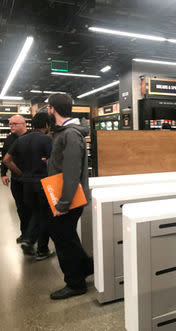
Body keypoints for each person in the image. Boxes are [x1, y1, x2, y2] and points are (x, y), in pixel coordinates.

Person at [46, 93, 93, 300]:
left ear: (52, 109)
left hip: (69, 198)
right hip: (64, 196)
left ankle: (75, 283)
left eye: (48, 107)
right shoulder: (63, 132)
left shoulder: (71, 134)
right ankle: (85, 267)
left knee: (63, 238)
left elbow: (72, 172)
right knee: (67, 237)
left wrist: (63, 204)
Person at [3, 111, 54, 260]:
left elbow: (6, 160)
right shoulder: (47, 140)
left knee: (35, 213)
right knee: (45, 215)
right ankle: (41, 248)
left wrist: (21, 174)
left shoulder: (21, 140)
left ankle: (28, 238)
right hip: (42, 183)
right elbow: (54, 162)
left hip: (26, 185)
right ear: (46, 125)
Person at [1, 115, 28, 243]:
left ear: (23, 124)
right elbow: (4, 159)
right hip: (17, 180)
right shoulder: (9, 140)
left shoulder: (31, 137)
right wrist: (3, 174)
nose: (11, 126)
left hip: (30, 179)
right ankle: (25, 234)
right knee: (20, 207)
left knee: (32, 208)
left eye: (14, 124)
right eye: (10, 123)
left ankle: (33, 235)